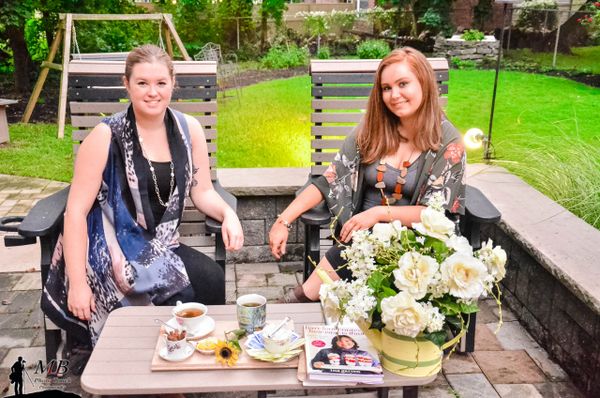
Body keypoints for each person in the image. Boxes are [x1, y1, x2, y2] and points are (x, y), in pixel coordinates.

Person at [41, 44, 243, 346]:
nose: (153, 92)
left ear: (173, 84)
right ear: (127, 85)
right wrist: (79, 284)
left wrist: (229, 215)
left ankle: (195, 360)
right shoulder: (105, 137)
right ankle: (143, 365)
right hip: (111, 248)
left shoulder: (189, 131)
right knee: (173, 290)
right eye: (142, 83)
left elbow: (202, 191)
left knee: (211, 278)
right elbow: (75, 213)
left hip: (161, 244)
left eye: (161, 83)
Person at [269, 47, 465, 302]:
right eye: (386, 88)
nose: (394, 95)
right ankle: (305, 302)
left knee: (308, 295)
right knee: (345, 261)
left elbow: (435, 213)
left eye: (403, 84)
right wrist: (282, 221)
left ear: (424, 84)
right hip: (359, 243)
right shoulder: (372, 131)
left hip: (414, 251)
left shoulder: (448, 143)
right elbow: (329, 180)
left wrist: (377, 215)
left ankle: (304, 298)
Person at [311, 335, 380, 369]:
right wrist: (315, 364)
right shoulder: (325, 351)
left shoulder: (364, 353)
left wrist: (377, 367)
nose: (345, 343)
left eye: (349, 341)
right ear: (336, 343)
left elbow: (376, 364)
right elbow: (313, 362)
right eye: (341, 341)